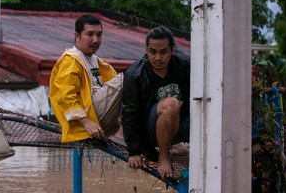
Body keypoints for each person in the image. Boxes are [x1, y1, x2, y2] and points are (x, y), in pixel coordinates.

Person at [121, 26, 190, 178]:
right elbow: (129, 114)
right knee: (171, 103)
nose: (158, 58)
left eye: (163, 52)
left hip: (181, 126)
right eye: (153, 51)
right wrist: (134, 152)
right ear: (146, 49)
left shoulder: (186, 65)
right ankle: (164, 157)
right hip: (150, 131)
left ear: (172, 49)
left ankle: (175, 144)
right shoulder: (135, 74)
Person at [49, 14, 125, 143]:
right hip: (87, 120)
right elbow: (65, 96)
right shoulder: (71, 60)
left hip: (99, 114)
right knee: (128, 77)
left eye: (99, 35)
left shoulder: (98, 62)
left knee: (135, 82)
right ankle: (122, 132)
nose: (95, 40)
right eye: (90, 35)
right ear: (77, 36)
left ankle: (128, 131)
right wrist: (86, 122)